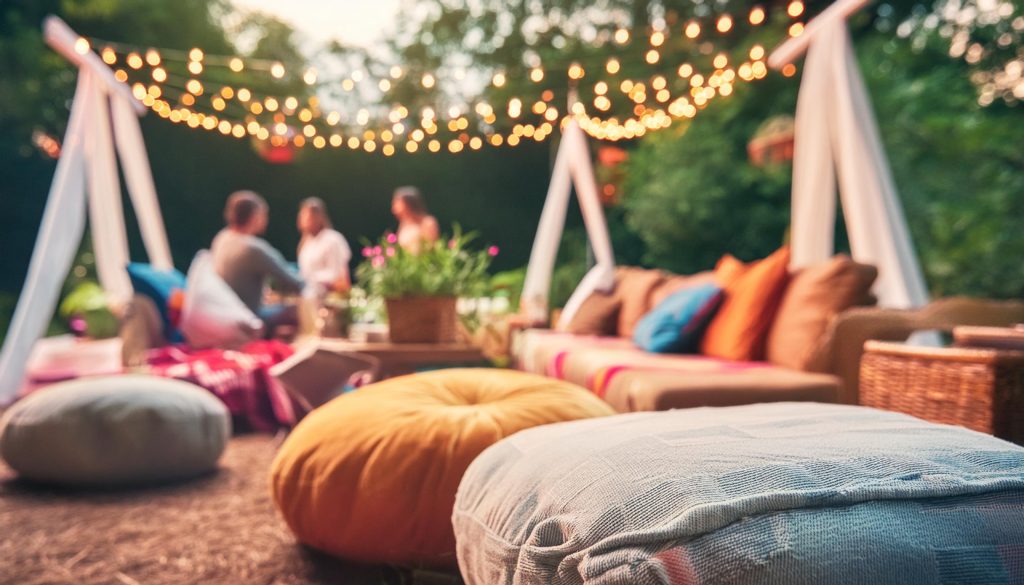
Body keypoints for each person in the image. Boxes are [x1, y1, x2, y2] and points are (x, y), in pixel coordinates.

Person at [210, 190, 304, 333]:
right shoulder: (252, 248)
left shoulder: (221, 238)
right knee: (297, 309)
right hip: (250, 318)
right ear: (254, 216)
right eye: (263, 214)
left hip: (223, 316)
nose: (266, 219)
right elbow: (295, 283)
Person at [297, 197, 352, 294]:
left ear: (319, 217)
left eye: (308, 216)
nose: (303, 220)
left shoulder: (332, 239)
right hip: (310, 293)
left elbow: (337, 274)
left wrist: (310, 279)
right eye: (302, 216)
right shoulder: (306, 243)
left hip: (331, 295)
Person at [391, 186, 439, 254]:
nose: (394, 208)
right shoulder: (403, 225)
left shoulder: (427, 222)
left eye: (396, 203)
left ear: (407, 204)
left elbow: (432, 247)